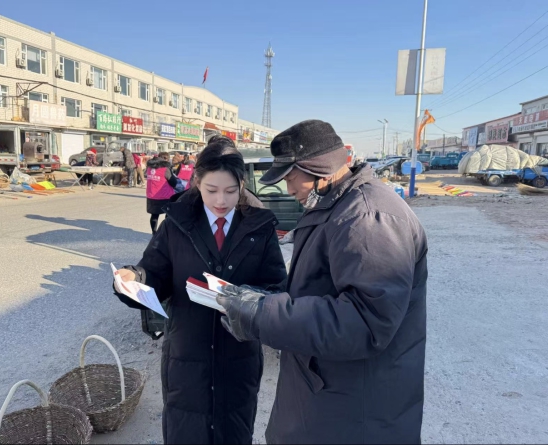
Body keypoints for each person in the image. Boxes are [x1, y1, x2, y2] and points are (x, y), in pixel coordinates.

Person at [216, 119, 428, 444]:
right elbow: (317, 286)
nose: (288, 189)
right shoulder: (334, 204)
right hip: (328, 391)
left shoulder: (368, 218)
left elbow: (365, 322)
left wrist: (263, 315)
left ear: (320, 169)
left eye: (290, 178)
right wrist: (261, 298)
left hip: (355, 412)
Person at [113, 141, 287, 444]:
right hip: (187, 355)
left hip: (239, 355)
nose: (221, 200)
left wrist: (243, 298)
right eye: (211, 190)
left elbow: (276, 288)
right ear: (196, 181)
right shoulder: (176, 224)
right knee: (186, 430)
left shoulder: (259, 227)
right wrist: (133, 278)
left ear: (241, 184)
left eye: (230, 191)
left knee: (234, 431)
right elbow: (154, 273)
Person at [145, 152, 177, 234]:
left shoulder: (149, 167)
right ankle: (165, 232)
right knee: (168, 215)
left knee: (154, 215)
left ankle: (154, 233)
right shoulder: (165, 169)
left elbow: (146, 176)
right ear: (165, 159)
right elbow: (173, 182)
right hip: (165, 196)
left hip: (152, 195)